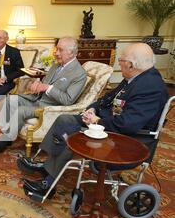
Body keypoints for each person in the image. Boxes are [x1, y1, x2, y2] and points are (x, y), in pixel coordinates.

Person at [19, 43, 169, 199]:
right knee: (64, 120)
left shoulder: (151, 87)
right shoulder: (135, 77)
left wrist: (97, 121)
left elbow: (128, 124)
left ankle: (48, 185)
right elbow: (107, 99)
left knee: (73, 135)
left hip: (127, 140)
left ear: (131, 65)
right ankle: (48, 165)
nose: (119, 62)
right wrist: (93, 109)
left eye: (121, 60)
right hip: (107, 123)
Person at [0, 36, 87, 157]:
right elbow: (45, 82)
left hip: (49, 107)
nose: (56, 53)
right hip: (37, 99)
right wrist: (38, 84)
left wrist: (47, 88)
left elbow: (68, 100)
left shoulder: (79, 74)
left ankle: (2, 142)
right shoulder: (57, 65)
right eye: (56, 49)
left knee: (20, 111)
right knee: (10, 99)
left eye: (60, 50)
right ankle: (7, 136)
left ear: (72, 53)